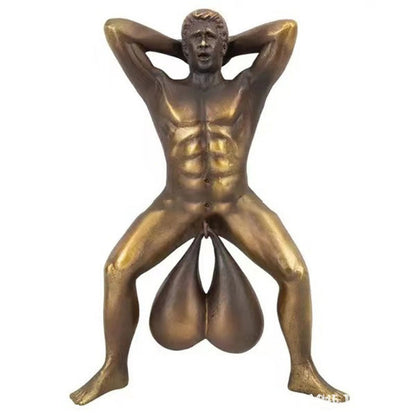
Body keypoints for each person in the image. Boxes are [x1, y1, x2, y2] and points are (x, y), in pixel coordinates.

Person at [70, 9, 348, 405]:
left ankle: (302, 370)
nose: (203, 44)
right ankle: (114, 367)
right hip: (176, 205)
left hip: (236, 203)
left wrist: (229, 47)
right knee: (117, 269)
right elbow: (117, 31)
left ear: (223, 46)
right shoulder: (160, 88)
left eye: (211, 38)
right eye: (195, 39)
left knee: (295, 272)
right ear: (185, 48)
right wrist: (177, 47)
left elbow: (284, 31)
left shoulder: (247, 88)